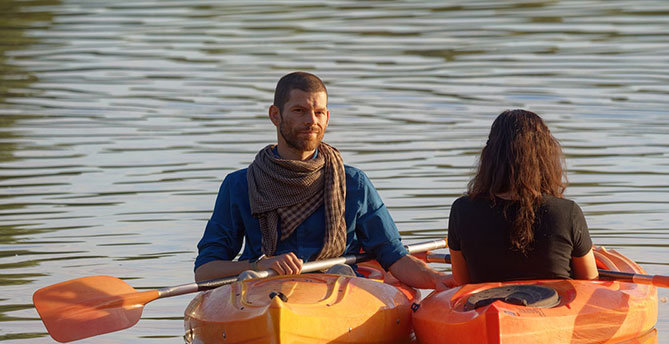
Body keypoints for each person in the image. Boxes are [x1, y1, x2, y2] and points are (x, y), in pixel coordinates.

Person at [194, 71, 453, 290]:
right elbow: (205, 271)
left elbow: (393, 255)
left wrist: (439, 281)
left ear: (327, 117)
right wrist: (257, 265)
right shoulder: (239, 185)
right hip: (264, 290)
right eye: (299, 111)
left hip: (340, 289)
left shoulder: (354, 183)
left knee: (342, 271)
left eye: (319, 112)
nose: (311, 121)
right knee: (250, 279)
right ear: (275, 115)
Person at [447, 109, 599, 285]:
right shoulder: (567, 212)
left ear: (489, 156)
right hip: (554, 309)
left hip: (485, 309)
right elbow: (590, 283)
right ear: (545, 157)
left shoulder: (462, 210)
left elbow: (461, 283)